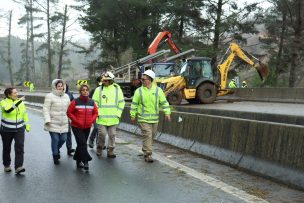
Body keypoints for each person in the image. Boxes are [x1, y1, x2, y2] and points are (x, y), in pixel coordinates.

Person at [130, 70, 171, 163]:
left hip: (154, 119)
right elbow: (134, 104)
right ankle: (148, 154)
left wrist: (167, 113)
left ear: (150, 80)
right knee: (147, 134)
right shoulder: (138, 91)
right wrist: (133, 115)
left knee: (151, 136)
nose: (142, 81)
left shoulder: (158, 91)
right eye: (142, 79)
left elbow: (164, 103)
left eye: (144, 79)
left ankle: (145, 149)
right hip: (143, 119)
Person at [92, 71, 125, 158]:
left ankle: (110, 150)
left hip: (113, 118)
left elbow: (121, 103)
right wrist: (97, 113)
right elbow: (94, 103)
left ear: (111, 81)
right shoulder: (98, 90)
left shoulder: (117, 90)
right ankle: (100, 146)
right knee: (102, 134)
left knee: (112, 135)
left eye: (106, 80)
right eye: (103, 80)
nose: (104, 82)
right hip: (101, 118)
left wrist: (118, 114)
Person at [67, 84, 98, 170]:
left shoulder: (92, 102)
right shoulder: (75, 102)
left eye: (86, 90)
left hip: (87, 127)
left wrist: (91, 120)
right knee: (83, 143)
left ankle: (77, 160)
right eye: (83, 90)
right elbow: (69, 112)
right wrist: (76, 120)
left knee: (81, 144)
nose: (85, 91)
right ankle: (86, 161)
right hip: (76, 127)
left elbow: (96, 112)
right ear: (80, 92)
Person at [0, 87, 30, 174]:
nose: (17, 94)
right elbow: (8, 110)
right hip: (6, 129)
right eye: (15, 93)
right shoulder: (3, 102)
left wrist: (26, 124)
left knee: (20, 147)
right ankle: (7, 165)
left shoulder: (20, 103)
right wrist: (19, 101)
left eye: (17, 92)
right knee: (6, 148)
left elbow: (24, 114)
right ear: (9, 95)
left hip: (19, 129)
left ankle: (18, 167)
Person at [43, 79, 70, 165]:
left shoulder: (66, 96)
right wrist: (47, 119)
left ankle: (56, 149)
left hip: (64, 122)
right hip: (53, 122)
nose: (60, 87)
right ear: (55, 87)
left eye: (61, 86)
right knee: (55, 139)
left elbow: (69, 109)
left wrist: (71, 119)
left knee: (63, 139)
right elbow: (45, 109)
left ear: (64, 87)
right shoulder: (49, 96)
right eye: (58, 86)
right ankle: (55, 155)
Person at [88, 76, 102, 148]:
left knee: (101, 130)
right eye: (101, 81)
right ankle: (91, 139)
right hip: (94, 113)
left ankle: (99, 144)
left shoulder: (107, 91)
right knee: (96, 127)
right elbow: (89, 101)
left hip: (104, 113)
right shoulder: (94, 90)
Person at [65, 84, 75, 156]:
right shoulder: (54, 94)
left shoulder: (69, 94)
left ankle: (69, 149)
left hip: (67, 116)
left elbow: (74, 103)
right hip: (58, 117)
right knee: (61, 136)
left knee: (68, 133)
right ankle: (56, 150)